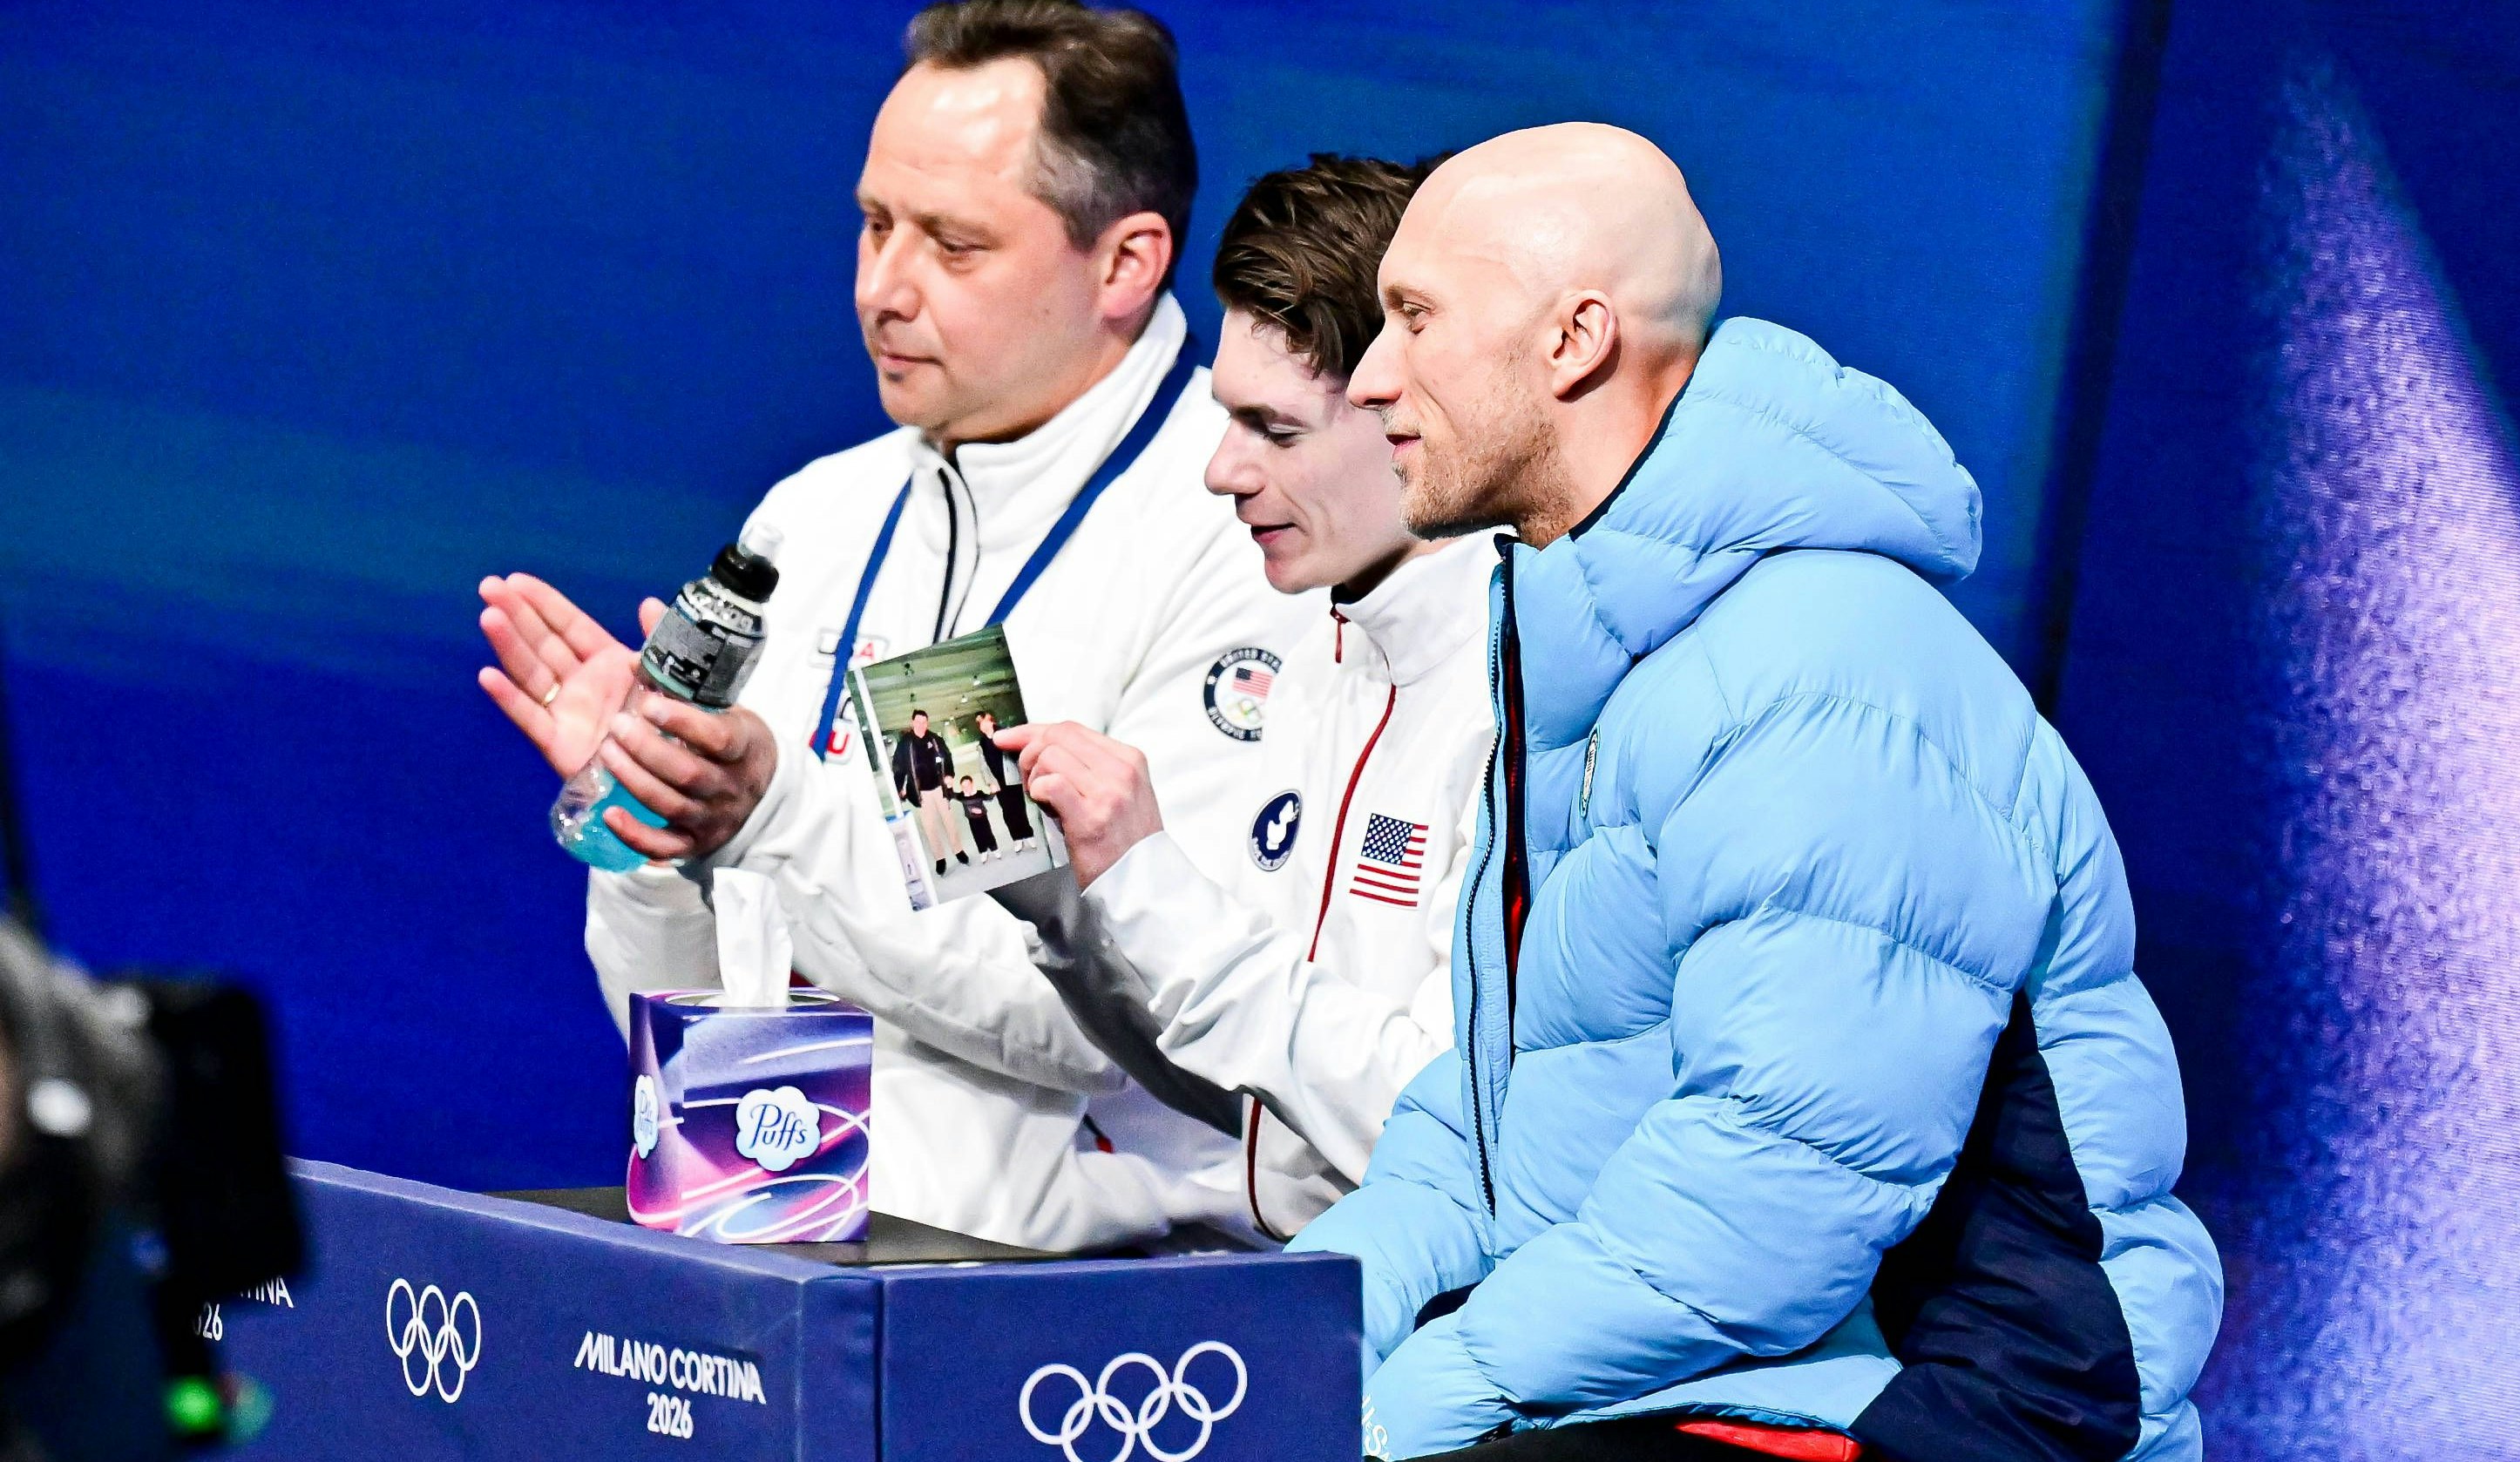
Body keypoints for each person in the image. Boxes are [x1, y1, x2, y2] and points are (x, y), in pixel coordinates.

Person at [1290, 125, 2222, 1462]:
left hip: (1948, 1394)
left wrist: (1397, 1411)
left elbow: (1777, 1185)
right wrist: (1287, 1339)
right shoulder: (1590, 657)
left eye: (1413, 318)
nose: (1371, 379)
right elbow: (1490, 1124)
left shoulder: (1823, 667)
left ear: (1571, 341)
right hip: (1697, 1370)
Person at [473, 0, 1314, 1250]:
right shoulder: (813, 519)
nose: (883, 288)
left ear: (1125, 263)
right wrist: (655, 825)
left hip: (1081, 1332)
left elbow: (1111, 1015)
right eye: (872, 226)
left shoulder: (1246, 526)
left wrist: (774, 818)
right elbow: (705, 1004)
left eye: (952, 245)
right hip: (760, 1251)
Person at [1001, 155, 1498, 1240]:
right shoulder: (1321, 645)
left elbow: (1438, 1134)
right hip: (1296, 1301)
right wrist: (1071, 911)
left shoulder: (1529, 702)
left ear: (1415, 416)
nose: (1222, 471)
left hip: (1446, 1357)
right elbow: (1264, 1111)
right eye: (1228, 420)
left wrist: (1148, 879)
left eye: (1274, 431)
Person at [892, 709, 967, 869]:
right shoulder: (905, 744)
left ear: (927, 723)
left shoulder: (935, 739)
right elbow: (898, 768)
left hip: (940, 789)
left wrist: (950, 775)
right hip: (921, 793)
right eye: (918, 722)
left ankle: (958, 850)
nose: (921, 725)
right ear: (912, 722)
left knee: (949, 821)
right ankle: (940, 858)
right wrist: (899, 787)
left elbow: (947, 757)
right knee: (929, 826)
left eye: (924, 722)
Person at [972, 709, 1036, 849]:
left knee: (1019, 808)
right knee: (1007, 811)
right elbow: (983, 766)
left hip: (1012, 776)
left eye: (983, 721)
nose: (981, 725)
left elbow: (1017, 753)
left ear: (990, 720)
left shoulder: (1004, 734)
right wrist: (990, 783)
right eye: (979, 724)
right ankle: (1017, 838)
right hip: (998, 783)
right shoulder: (982, 744)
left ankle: (1028, 834)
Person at [954, 774, 1000, 859]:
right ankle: (983, 851)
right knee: (977, 836)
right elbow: (951, 794)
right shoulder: (961, 796)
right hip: (972, 820)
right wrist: (948, 786)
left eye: (968, 785)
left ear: (972, 784)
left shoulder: (979, 793)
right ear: (961, 787)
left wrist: (993, 792)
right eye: (964, 786)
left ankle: (994, 849)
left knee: (988, 833)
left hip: (983, 818)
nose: (966, 787)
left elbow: (989, 798)